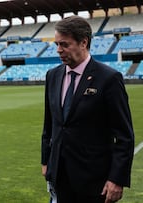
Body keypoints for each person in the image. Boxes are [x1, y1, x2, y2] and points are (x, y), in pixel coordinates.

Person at [41, 15, 135, 203]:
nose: (59, 50)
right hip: (59, 174)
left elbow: (124, 136)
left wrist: (117, 179)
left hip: (94, 180)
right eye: (57, 44)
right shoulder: (53, 75)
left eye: (64, 45)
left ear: (83, 42)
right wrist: (46, 161)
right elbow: (49, 125)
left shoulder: (108, 78)